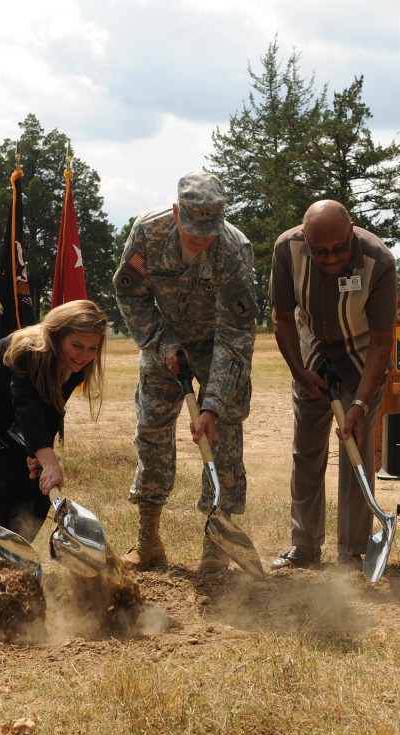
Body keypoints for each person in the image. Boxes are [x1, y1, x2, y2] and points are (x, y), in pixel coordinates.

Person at [112, 171, 258, 573]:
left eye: (208, 232)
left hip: (218, 347)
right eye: (194, 232)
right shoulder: (148, 233)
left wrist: (211, 405)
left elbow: (236, 333)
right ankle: (148, 540)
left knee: (223, 434)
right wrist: (162, 342)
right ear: (177, 212)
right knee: (152, 431)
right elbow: (130, 294)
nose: (201, 240)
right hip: (166, 340)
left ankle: (216, 543)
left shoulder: (233, 250)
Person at [0, 300, 107, 583]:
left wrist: (39, 452)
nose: (84, 355)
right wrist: (47, 458)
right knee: (18, 476)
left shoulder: (75, 362)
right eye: (77, 346)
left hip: (6, 414)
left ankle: (12, 561)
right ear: (57, 335)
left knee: (38, 483)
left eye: (92, 348)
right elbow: (25, 401)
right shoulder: (30, 349)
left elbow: (52, 407)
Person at [268, 200, 397, 569]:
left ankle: (353, 551)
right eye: (319, 251)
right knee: (306, 451)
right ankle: (304, 546)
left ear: (351, 232)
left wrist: (358, 404)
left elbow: (382, 341)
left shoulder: (379, 262)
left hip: (361, 355)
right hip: (311, 354)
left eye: (339, 249)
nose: (329, 259)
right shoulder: (286, 249)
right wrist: (298, 370)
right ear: (305, 239)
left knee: (355, 452)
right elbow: (282, 317)